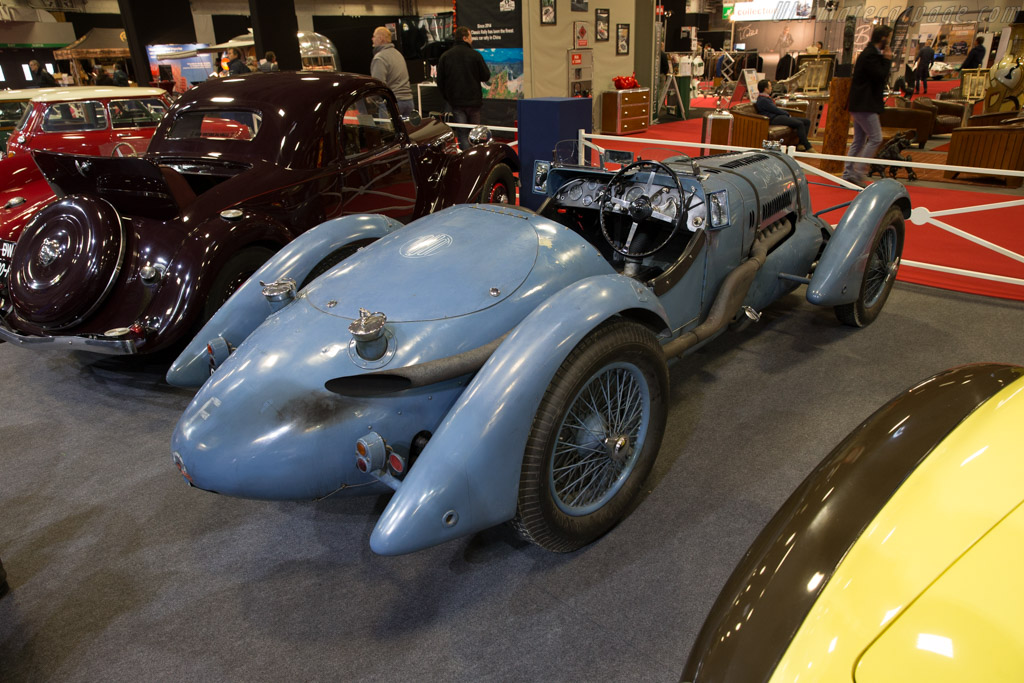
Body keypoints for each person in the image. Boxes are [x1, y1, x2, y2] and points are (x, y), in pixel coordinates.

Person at [843, 25, 892, 187]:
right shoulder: (871, 55)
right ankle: (857, 173)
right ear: (883, 38)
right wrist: (887, 60)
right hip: (865, 105)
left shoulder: (868, 54)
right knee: (876, 138)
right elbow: (880, 76)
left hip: (860, 104)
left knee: (859, 140)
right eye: (889, 38)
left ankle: (849, 173)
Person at [436, 26, 491, 150]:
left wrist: (448, 97)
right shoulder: (475, 55)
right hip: (474, 101)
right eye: (471, 36)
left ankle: (466, 160)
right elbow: (486, 76)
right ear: (465, 38)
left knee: (462, 133)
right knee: (476, 133)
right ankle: (476, 158)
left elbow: (440, 81)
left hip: (456, 102)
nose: (472, 40)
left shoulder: (446, 56)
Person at [754, 79, 814, 151]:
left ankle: (801, 144)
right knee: (799, 123)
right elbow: (774, 109)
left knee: (807, 121)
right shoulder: (763, 99)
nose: (771, 88)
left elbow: (773, 108)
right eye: (770, 86)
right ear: (765, 89)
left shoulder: (765, 98)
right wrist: (786, 113)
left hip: (777, 116)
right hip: (773, 119)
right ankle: (808, 146)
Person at [370, 26, 415, 118]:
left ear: (381, 38)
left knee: (388, 132)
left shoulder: (380, 58)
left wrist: (371, 98)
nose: (372, 39)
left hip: (392, 103)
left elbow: (378, 84)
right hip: (408, 102)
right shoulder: (398, 54)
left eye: (374, 36)